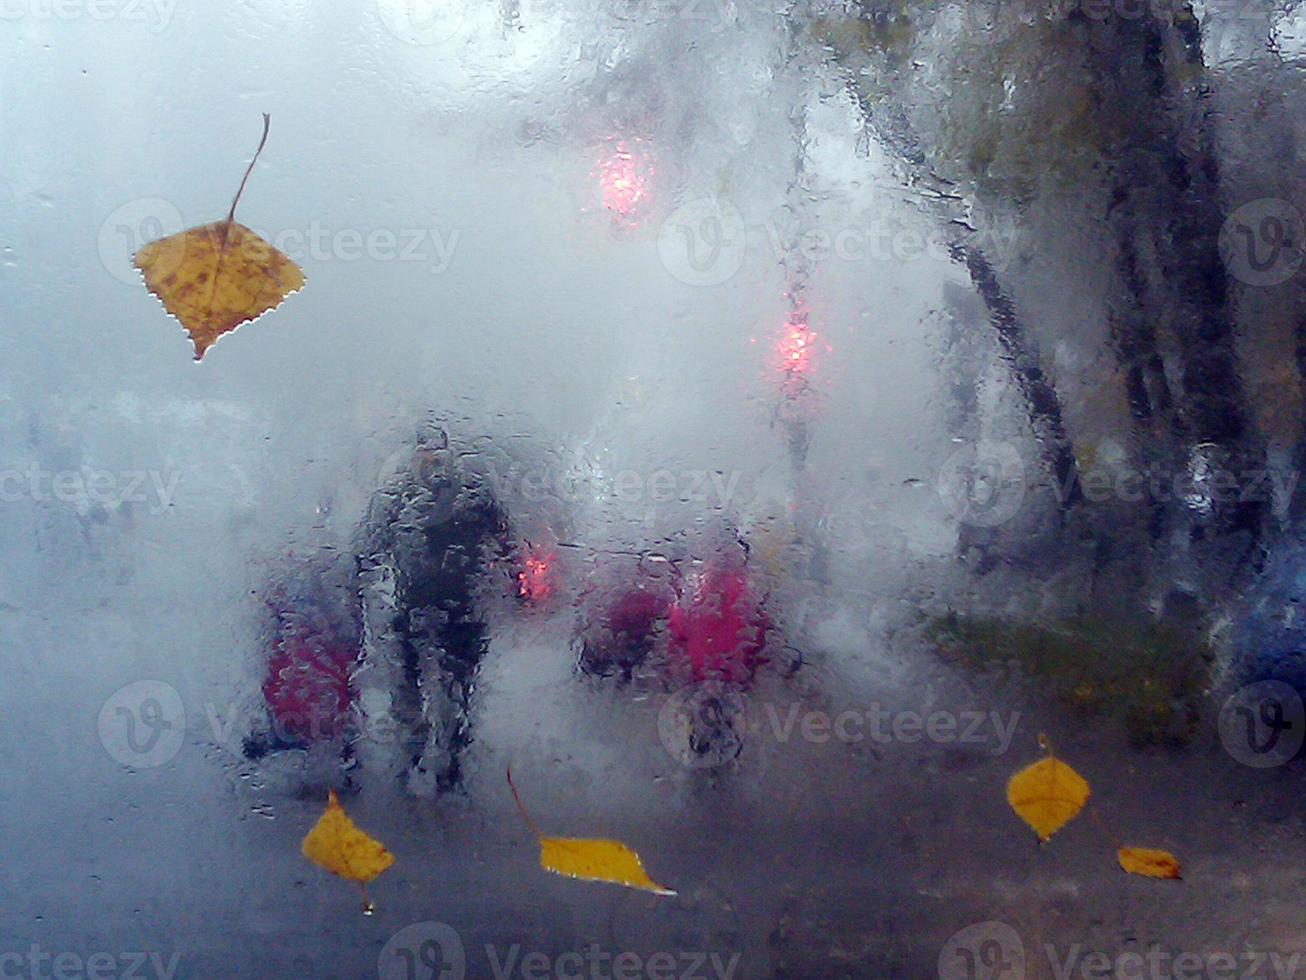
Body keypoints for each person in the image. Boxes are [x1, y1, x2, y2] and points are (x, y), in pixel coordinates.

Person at [356, 425, 513, 795]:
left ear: (450, 456)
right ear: (413, 459)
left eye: (438, 455)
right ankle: (412, 757)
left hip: (462, 610)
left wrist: (512, 577)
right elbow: (370, 549)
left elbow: (504, 538)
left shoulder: (472, 496)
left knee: (458, 691)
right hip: (412, 608)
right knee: (409, 690)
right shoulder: (396, 498)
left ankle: (452, 763)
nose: (431, 463)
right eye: (424, 455)